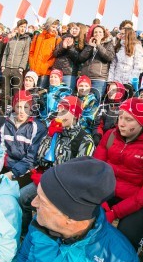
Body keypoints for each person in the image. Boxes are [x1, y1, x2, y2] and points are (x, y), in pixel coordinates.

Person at [17, 156, 139, 262]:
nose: (33, 203)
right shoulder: (40, 224)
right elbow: (24, 258)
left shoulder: (119, 260)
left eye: (42, 201)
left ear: (70, 217)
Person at [94, 97, 143, 250]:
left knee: (125, 241)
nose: (121, 123)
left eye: (128, 119)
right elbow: (96, 170)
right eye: (120, 117)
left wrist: (115, 212)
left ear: (141, 121)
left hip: (137, 200)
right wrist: (102, 201)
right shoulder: (111, 135)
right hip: (106, 193)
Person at [19, 96, 95, 234]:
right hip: (46, 179)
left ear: (75, 114)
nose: (60, 115)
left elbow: (81, 173)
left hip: (66, 187)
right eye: (59, 110)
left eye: (65, 111)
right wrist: (50, 138)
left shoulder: (84, 139)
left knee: (46, 212)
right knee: (22, 197)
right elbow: (41, 158)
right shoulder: (55, 132)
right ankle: (24, 233)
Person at [0, 90, 46, 183]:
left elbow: (31, 158)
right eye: (18, 107)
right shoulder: (5, 124)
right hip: (6, 167)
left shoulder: (37, 127)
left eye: (26, 107)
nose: (21, 111)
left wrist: (12, 173)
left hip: (26, 171)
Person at [78, 25, 115, 101]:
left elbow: (109, 57)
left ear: (104, 34)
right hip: (86, 78)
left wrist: (98, 45)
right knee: (83, 102)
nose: (97, 34)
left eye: (100, 32)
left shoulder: (108, 44)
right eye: (95, 32)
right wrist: (90, 47)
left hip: (99, 79)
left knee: (95, 102)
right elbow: (81, 58)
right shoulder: (89, 44)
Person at [1, 19, 31, 104]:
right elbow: (5, 53)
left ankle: (15, 110)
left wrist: (21, 67)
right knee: (5, 91)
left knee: (16, 92)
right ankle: (4, 110)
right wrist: (3, 65)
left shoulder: (26, 38)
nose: (23, 29)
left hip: (17, 69)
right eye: (21, 27)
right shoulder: (11, 39)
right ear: (17, 27)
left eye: (24, 27)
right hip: (7, 68)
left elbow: (26, 54)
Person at [29, 17, 61, 88]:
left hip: (45, 72)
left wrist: (46, 66)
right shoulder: (37, 36)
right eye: (53, 27)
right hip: (34, 70)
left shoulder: (57, 39)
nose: (54, 29)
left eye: (56, 27)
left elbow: (55, 56)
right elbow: (31, 51)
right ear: (48, 25)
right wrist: (32, 64)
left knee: (41, 93)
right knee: (31, 92)